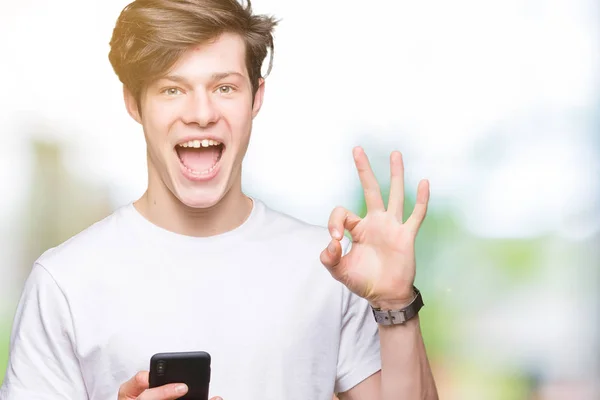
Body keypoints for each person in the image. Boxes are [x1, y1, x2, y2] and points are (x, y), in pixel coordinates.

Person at [0, 0, 439, 399]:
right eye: (172, 89)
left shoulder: (326, 268)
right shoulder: (65, 282)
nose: (201, 113)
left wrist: (395, 302)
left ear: (256, 98)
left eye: (225, 87)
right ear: (134, 103)